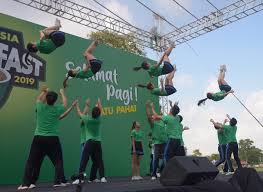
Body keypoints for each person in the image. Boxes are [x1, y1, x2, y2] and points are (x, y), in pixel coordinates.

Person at [18, 87, 77, 190]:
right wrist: (62, 92)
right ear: (54, 101)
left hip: (38, 139)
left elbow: (39, 99)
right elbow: (64, 103)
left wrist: (44, 91)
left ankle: (25, 184)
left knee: (31, 162)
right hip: (52, 139)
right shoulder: (57, 109)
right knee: (58, 161)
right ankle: (57, 182)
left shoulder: (40, 106)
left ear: (46, 98)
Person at [74, 98, 106, 184]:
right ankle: (102, 177)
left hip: (89, 143)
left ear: (91, 113)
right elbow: (102, 110)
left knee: (84, 160)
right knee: (99, 160)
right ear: (98, 114)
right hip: (97, 143)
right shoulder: (99, 120)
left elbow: (80, 114)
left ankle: (80, 178)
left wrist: (77, 106)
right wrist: (99, 103)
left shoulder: (87, 119)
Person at [146, 101, 167, 180]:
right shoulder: (153, 124)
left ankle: (160, 171)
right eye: (152, 117)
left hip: (164, 142)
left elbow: (158, 115)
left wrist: (153, 108)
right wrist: (148, 108)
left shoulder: (162, 122)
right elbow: (148, 116)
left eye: (154, 116)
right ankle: (154, 174)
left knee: (165, 158)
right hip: (157, 143)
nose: (153, 117)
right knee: (155, 159)